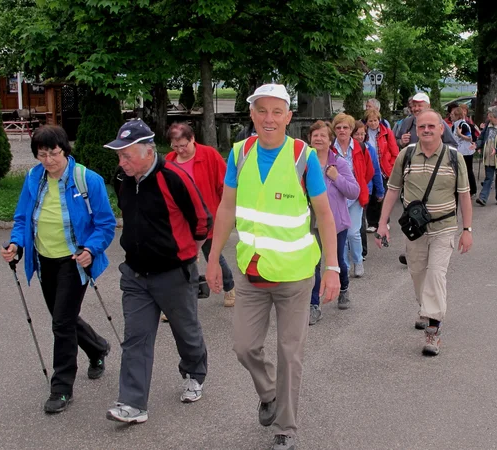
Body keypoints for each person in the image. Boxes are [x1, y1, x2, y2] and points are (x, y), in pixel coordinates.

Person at [205, 84, 340, 450]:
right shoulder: (240, 153)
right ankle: (269, 394)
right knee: (244, 348)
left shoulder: (303, 157)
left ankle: (286, 428)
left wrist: (332, 268)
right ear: (251, 114)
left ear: (288, 117)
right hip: (251, 271)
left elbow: (324, 215)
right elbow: (227, 209)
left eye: (276, 112)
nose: (269, 119)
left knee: (289, 353)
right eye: (262, 111)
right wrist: (214, 258)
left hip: (295, 275)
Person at [1, 125, 116, 414]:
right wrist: (15, 244)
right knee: (62, 317)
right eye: (42, 154)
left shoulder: (87, 180)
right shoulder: (33, 178)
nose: (49, 160)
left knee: (61, 323)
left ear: (65, 149)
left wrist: (90, 249)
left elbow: (105, 223)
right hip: (43, 259)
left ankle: (61, 387)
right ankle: (97, 347)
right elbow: (21, 217)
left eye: (54, 153)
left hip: (74, 261)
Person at [104, 119, 211, 424]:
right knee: (136, 337)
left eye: (127, 155)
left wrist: (186, 255)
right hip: (136, 274)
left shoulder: (174, 178)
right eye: (119, 156)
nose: (121, 162)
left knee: (186, 332)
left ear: (148, 152)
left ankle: (193, 373)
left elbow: (202, 221)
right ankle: (132, 404)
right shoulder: (122, 178)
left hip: (174, 274)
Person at [375, 109, 473, 356]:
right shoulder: (406, 155)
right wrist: (382, 223)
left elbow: (464, 195)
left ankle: (433, 330)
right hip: (414, 230)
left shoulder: (454, 157)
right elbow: (393, 190)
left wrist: (467, 229)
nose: (427, 130)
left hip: (444, 227)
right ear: (416, 130)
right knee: (418, 274)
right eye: (422, 127)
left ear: (442, 128)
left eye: (432, 126)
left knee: (436, 275)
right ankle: (426, 308)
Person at [164, 123, 235, 307]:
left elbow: (225, 185)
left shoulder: (209, 155)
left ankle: (229, 287)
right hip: (181, 222)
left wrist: (226, 213)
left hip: (207, 218)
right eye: (175, 146)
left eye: (183, 145)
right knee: (181, 261)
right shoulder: (169, 161)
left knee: (213, 255)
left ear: (193, 139)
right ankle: (179, 301)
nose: (180, 150)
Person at [309, 121, 359, 324]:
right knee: (312, 265)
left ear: (330, 140)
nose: (318, 139)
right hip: (310, 224)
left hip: (336, 223)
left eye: (323, 135)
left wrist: (336, 177)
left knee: (337, 261)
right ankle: (314, 305)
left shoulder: (339, 163)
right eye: (315, 135)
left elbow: (354, 191)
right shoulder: (303, 164)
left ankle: (344, 288)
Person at [332, 113, 374, 278]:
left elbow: (369, 171)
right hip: (337, 197)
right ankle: (344, 265)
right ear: (334, 130)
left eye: (346, 127)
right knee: (340, 232)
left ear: (351, 130)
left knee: (353, 232)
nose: (342, 130)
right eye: (338, 127)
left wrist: (360, 185)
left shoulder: (360, 147)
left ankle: (358, 261)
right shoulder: (331, 149)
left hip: (355, 196)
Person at [353, 120, 384, 260]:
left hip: (365, 189)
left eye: (362, 134)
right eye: (357, 134)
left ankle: (361, 252)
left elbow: (375, 171)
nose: (360, 137)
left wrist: (380, 190)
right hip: (346, 190)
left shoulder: (369, 149)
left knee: (359, 220)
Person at [364, 108, 399, 231]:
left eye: (375, 120)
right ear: (366, 122)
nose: (373, 123)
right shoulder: (364, 133)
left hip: (383, 169)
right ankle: (372, 223)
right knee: (371, 196)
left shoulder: (387, 132)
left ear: (379, 120)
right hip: (369, 168)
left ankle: (384, 220)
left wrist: (390, 166)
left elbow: (395, 152)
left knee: (382, 195)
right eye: (370, 121)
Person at [473, 106, 497, 206]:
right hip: (489, 156)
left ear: (496, 117)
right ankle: (483, 198)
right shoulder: (487, 125)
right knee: (488, 178)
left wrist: (496, 150)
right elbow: (482, 138)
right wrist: (477, 145)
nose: (488, 117)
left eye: (490, 116)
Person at [450, 103, 477, 196]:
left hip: (466, 152)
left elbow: (469, 138)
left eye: (453, 115)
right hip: (459, 150)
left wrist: (460, 134)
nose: (451, 116)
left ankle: (472, 189)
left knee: (468, 170)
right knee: (460, 170)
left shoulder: (463, 125)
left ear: (458, 116)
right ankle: (462, 188)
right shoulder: (455, 125)